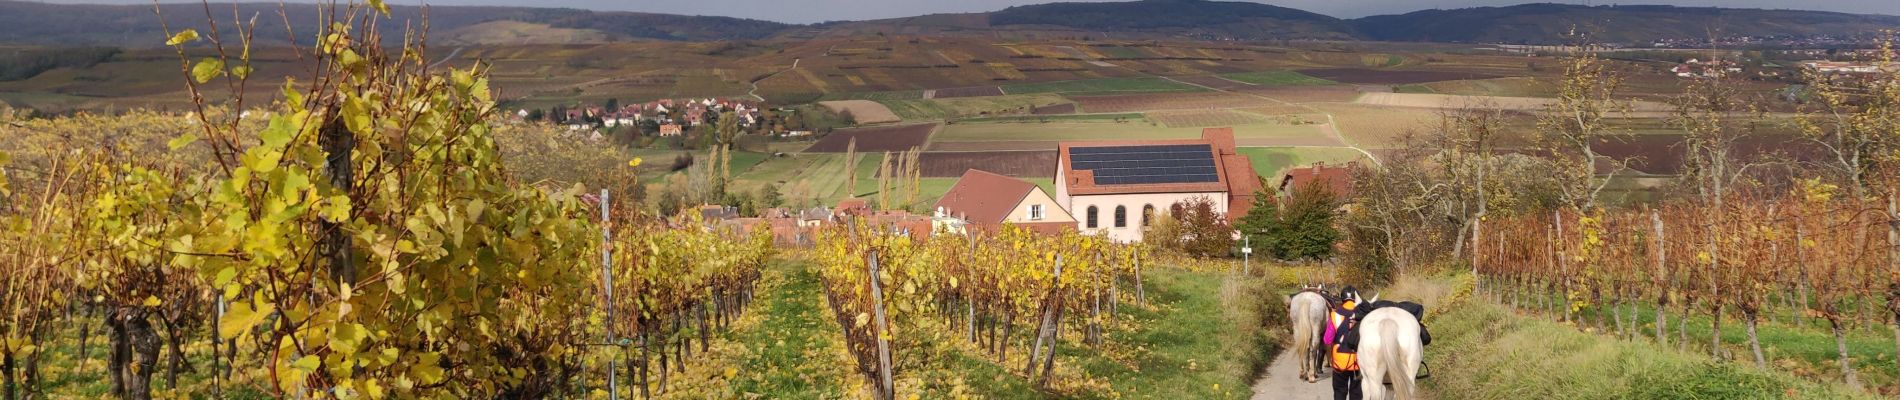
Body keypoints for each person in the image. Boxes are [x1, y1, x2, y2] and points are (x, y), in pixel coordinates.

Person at [1325, 286, 1362, 400]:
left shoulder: (1335, 315)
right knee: (1356, 392)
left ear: (1342, 299)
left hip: (1339, 361)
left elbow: (1327, 340)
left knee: (1340, 391)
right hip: (1359, 361)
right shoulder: (1363, 315)